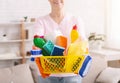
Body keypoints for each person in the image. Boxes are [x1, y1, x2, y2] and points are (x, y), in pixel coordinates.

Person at [34, 0, 87, 83]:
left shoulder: (75, 19)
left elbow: (82, 41)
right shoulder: (41, 21)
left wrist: (71, 48)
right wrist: (37, 47)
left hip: (71, 74)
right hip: (48, 75)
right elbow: (37, 41)